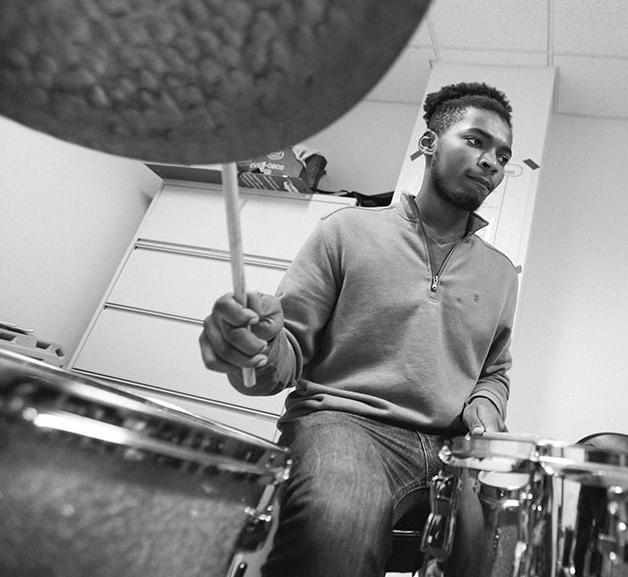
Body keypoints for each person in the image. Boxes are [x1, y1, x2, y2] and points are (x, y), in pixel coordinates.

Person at [199, 81, 519, 576]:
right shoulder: (345, 230)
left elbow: (494, 370)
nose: (491, 161)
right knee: (341, 521)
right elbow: (285, 358)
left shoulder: (501, 273)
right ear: (429, 144)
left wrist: (486, 405)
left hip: (452, 448)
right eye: (475, 141)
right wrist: (257, 349)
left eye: (502, 153)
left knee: (509, 545)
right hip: (345, 425)